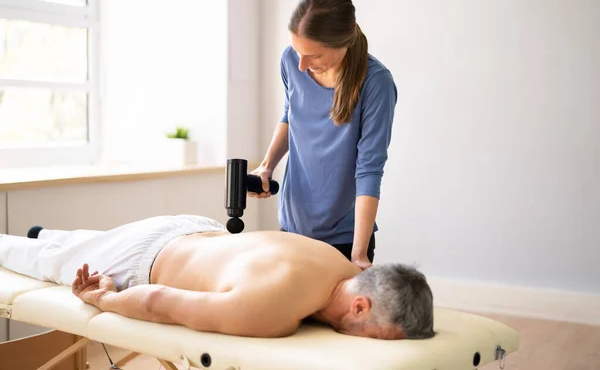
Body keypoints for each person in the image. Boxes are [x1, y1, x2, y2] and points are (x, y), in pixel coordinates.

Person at [0, 214, 434, 340]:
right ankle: (28, 242)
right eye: (379, 337)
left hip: (195, 227)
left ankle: (52, 233)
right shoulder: (271, 310)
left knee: (84, 244)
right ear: (361, 305)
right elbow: (158, 302)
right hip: (144, 260)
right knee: (42, 261)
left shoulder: (341, 264)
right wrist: (104, 300)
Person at [249, 0, 397, 270]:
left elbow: (369, 168)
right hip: (292, 229)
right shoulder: (291, 61)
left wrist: (359, 255)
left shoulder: (376, 83)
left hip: (344, 240)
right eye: (297, 51)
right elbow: (291, 115)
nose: (302, 64)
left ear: (342, 43)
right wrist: (266, 167)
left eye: (314, 55)